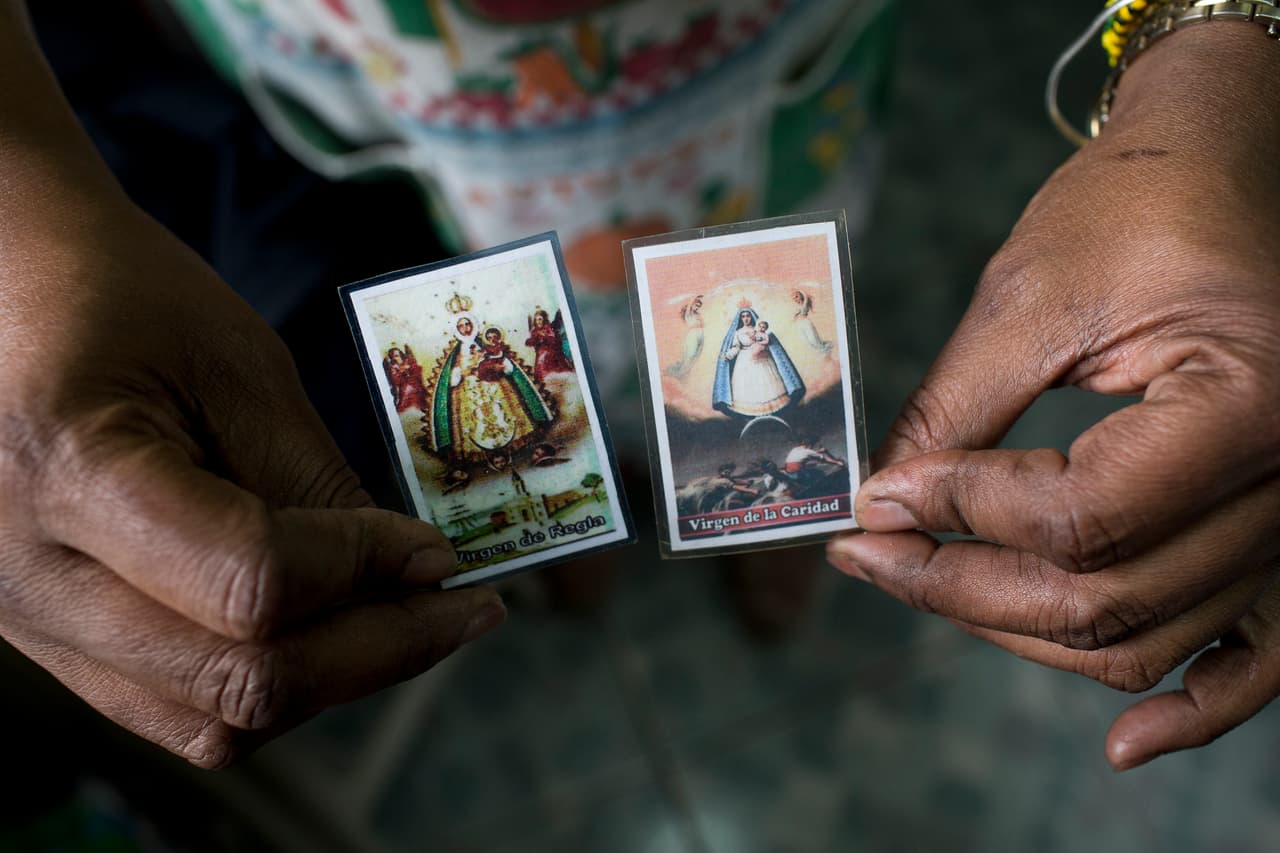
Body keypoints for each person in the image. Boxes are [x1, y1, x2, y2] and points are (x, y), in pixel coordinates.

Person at [3, 0, 1279, 778]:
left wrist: (1214, 62)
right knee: (506, 341)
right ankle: (584, 491)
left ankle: (762, 508)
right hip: (403, 115)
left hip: (764, 87)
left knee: (775, 366)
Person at [425, 315, 554, 465]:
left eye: (468, 324)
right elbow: (452, 380)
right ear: (457, 329)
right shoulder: (456, 353)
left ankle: (512, 447)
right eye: (461, 326)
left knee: (503, 410)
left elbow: (502, 362)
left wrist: (496, 365)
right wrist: (461, 371)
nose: (465, 328)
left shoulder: (486, 343)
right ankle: (487, 453)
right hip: (468, 389)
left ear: (473, 325)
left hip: (493, 383)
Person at [713, 307, 805, 417]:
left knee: (765, 383)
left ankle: (770, 414)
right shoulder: (738, 332)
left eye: (748, 316)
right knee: (748, 385)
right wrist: (729, 355)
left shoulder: (758, 329)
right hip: (744, 360)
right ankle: (752, 416)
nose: (746, 318)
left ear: (751, 317)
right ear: (740, 318)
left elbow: (765, 341)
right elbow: (736, 347)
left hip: (762, 358)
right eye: (743, 316)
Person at [524, 309, 574, 384]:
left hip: (550, 356)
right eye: (536, 320)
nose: (538, 322)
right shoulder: (535, 331)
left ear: (544, 319)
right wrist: (534, 339)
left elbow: (553, 340)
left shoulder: (548, 329)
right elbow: (529, 342)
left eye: (540, 319)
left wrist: (544, 337)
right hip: (540, 356)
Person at [382, 345, 428, 413]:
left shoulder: (409, 361)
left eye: (397, 355)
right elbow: (395, 380)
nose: (395, 358)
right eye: (393, 357)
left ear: (401, 354)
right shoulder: (393, 367)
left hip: (415, 382)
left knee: (419, 390)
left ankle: (423, 406)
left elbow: (417, 369)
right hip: (404, 386)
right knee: (406, 391)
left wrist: (409, 368)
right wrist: (400, 371)